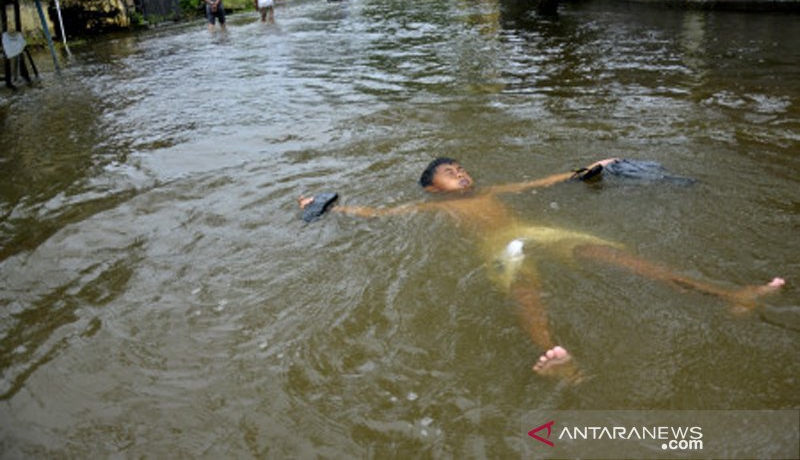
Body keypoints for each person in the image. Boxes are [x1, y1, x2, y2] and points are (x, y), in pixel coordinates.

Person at [298, 157, 785, 379]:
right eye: (450, 173)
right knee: (525, 288)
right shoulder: (432, 208)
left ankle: (731, 296)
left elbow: (542, 182)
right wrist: (330, 207)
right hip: (498, 245)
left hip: (536, 231)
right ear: (432, 189)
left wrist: (587, 170)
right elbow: (381, 216)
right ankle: (555, 359)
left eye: (462, 167)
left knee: (626, 260)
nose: (462, 174)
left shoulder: (491, 192)